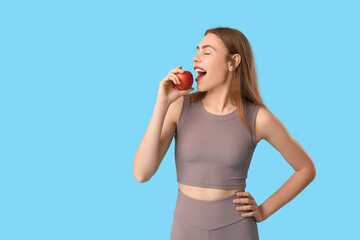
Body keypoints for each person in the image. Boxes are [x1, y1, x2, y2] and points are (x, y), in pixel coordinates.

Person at [133, 27, 316, 240]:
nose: (196, 57)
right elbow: (141, 173)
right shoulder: (179, 107)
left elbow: (306, 169)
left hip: (237, 228)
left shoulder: (259, 118)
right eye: (197, 50)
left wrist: (264, 210)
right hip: (185, 230)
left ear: (233, 62)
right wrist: (162, 103)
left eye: (207, 52)